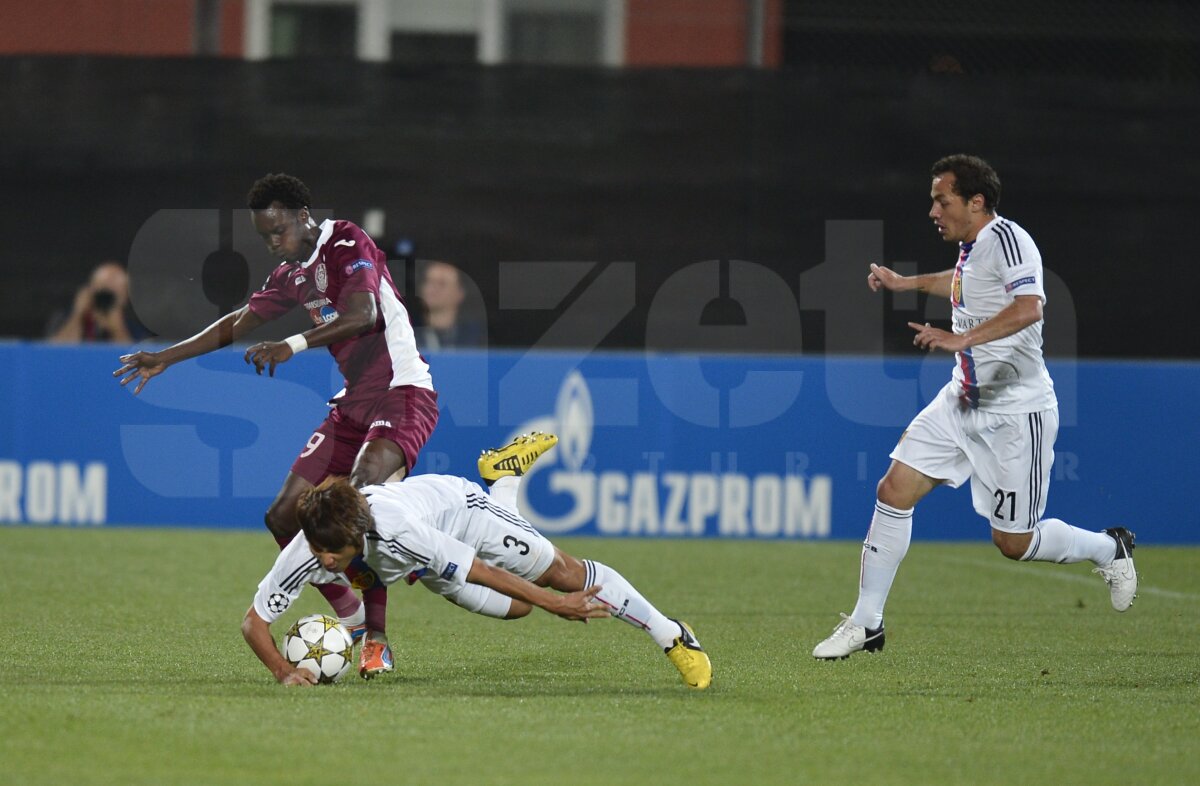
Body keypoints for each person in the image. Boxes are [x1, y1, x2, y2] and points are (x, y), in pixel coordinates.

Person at [812, 154, 1137, 660]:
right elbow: (962, 285)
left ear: (976, 201)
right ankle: (866, 623)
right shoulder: (974, 248)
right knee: (894, 488)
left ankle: (1107, 548)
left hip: (1016, 412)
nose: (933, 210)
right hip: (963, 400)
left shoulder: (1010, 239)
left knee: (1014, 542)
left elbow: (1030, 308)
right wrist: (907, 283)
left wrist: (962, 340)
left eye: (942, 199)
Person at [114, 173, 439, 677]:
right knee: (284, 516)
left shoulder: (346, 241)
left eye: (278, 231)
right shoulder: (290, 275)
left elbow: (363, 313)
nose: (272, 244)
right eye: (264, 237)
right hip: (352, 404)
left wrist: (292, 344)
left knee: (354, 502)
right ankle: (353, 617)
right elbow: (235, 323)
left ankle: (377, 640)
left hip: (402, 392)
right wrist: (166, 357)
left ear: (302, 216)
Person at [242, 432, 713, 689]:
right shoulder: (310, 547)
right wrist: (284, 673)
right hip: (425, 564)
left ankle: (673, 636)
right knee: (519, 607)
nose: (323, 560)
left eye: (332, 553)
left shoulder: (397, 532)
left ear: (356, 534)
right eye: (318, 549)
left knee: (563, 575)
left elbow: (481, 568)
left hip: (462, 515)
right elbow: (254, 624)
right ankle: (505, 479)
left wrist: (559, 602)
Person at [47, 261, 151, 343]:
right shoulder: (64, 317)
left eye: (112, 295)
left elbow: (134, 363)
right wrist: (77, 315)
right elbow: (53, 355)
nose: (105, 300)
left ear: (125, 297)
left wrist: (117, 329)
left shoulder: (134, 325)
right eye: (103, 292)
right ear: (90, 290)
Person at [413, 261, 484, 350]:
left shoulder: (477, 338)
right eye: (428, 281)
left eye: (442, 283)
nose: (433, 288)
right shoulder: (407, 334)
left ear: (460, 293)